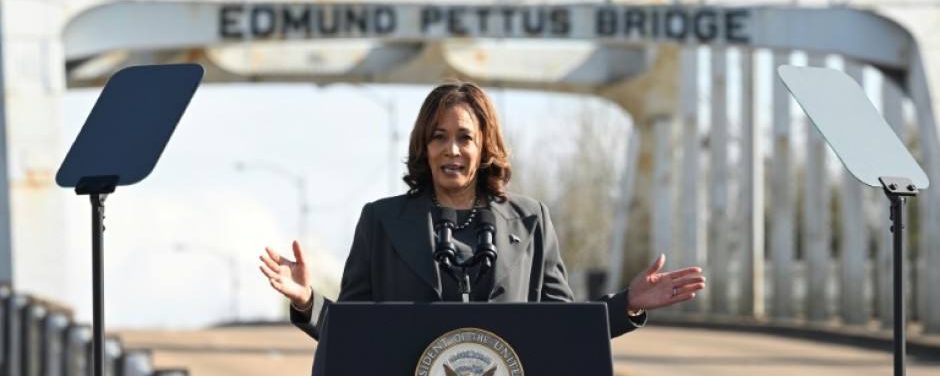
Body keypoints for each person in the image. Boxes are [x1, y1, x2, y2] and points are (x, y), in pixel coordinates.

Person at [259, 81, 705, 340]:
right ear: (423, 146)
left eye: (465, 137)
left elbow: (560, 329)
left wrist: (627, 305)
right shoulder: (381, 221)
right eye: (438, 137)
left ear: (484, 145)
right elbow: (353, 333)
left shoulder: (531, 221)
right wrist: (307, 300)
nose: (451, 150)